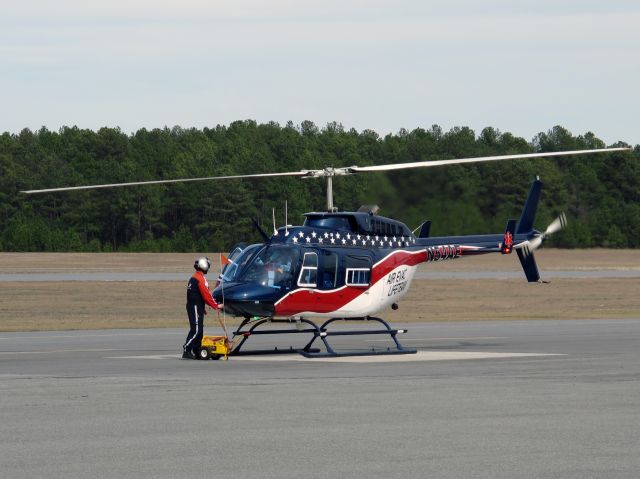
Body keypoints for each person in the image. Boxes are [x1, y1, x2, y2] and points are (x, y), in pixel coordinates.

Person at [183, 257, 219, 359]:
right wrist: (215, 305)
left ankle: (197, 349)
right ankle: (187, 349)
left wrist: (201, 308)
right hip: (194, 306)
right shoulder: (200, 279)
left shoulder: (195, 277)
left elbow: (195, 295)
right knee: (197, 330)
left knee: (199, 330)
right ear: (205, 266)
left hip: (195, 306)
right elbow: (206, 295)